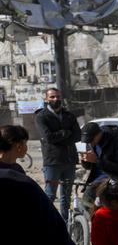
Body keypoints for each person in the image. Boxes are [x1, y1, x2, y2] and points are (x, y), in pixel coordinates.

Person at [35, 87, 81, 220]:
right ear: (46, 99)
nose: (56, 99)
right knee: (50, 195)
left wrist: (59, 136)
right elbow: (48, 138)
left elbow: (77, 136)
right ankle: (46, 224)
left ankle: (65, 223)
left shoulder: (69, 115)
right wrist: (66, 133)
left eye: (58, 97)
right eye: (52, 97)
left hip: (69, 161)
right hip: (53, 162)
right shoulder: (41, 116)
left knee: (66, 197)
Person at [79, 121, 118, 216]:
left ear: (98, 134)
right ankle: (89, 223)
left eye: (91, 140)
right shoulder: (91, 143)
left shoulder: (116, 141)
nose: (90, 143)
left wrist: (97, 161)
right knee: (86, 203)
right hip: (97, 179)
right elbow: (89, 167)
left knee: (91, 196)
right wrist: (85, 160)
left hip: (115, 177)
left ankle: (97, 221)